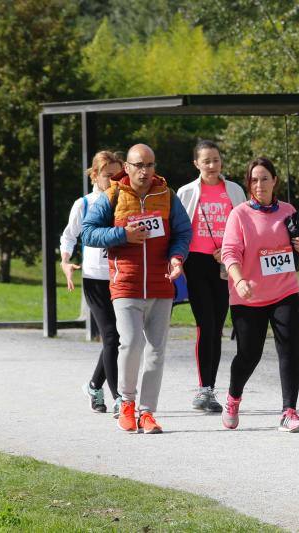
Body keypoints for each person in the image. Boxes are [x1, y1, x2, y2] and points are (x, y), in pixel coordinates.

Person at [82, 144, 192, 434]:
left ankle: (147, 413)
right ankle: (126, 404)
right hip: (126, 284)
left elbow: (183, 232)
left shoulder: (167, 196)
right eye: (138, 165)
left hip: (161, 284)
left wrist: (177, 258)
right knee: (130, 343)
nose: (145, 171)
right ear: (127, 168)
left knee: (156, 351)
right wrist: (123, 234)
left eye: (150, 165)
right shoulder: (113, 195)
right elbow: (88, 232)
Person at [220, 157, 299, 433]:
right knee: (249, 354)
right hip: (249, 295)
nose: (259, 184)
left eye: (264, 178)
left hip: (285, 291)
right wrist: (239, 279)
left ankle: (289, 411)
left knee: (290, 349)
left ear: (274, 181)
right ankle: (233, 397)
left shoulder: (289, 211)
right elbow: (230, 252)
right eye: (254, 180)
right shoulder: (240, 214)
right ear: (248, 184)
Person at [177, 140, 246, 412]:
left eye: (216, 160)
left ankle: (210, 389)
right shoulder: (186, 192)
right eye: (206, 161)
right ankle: (204, 388)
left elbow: (244, 226)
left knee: (216, 327)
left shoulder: (234, 190)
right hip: (196, 264)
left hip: (225, 264)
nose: (212, 166)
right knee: (205, 325)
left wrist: (231, 251)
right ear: (196, 163)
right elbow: (179, 230)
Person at [60, 150, 123, 417]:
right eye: (109, 175)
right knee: (111, 336)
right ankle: (119, 397)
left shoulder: (126, 200)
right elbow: (69, 236)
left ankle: (94, 385)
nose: (115, 181)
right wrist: (65, 263)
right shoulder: (84, 204)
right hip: (95, 279)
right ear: (95, 175)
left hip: (121, 277)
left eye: (119, 175)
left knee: (120, 339)